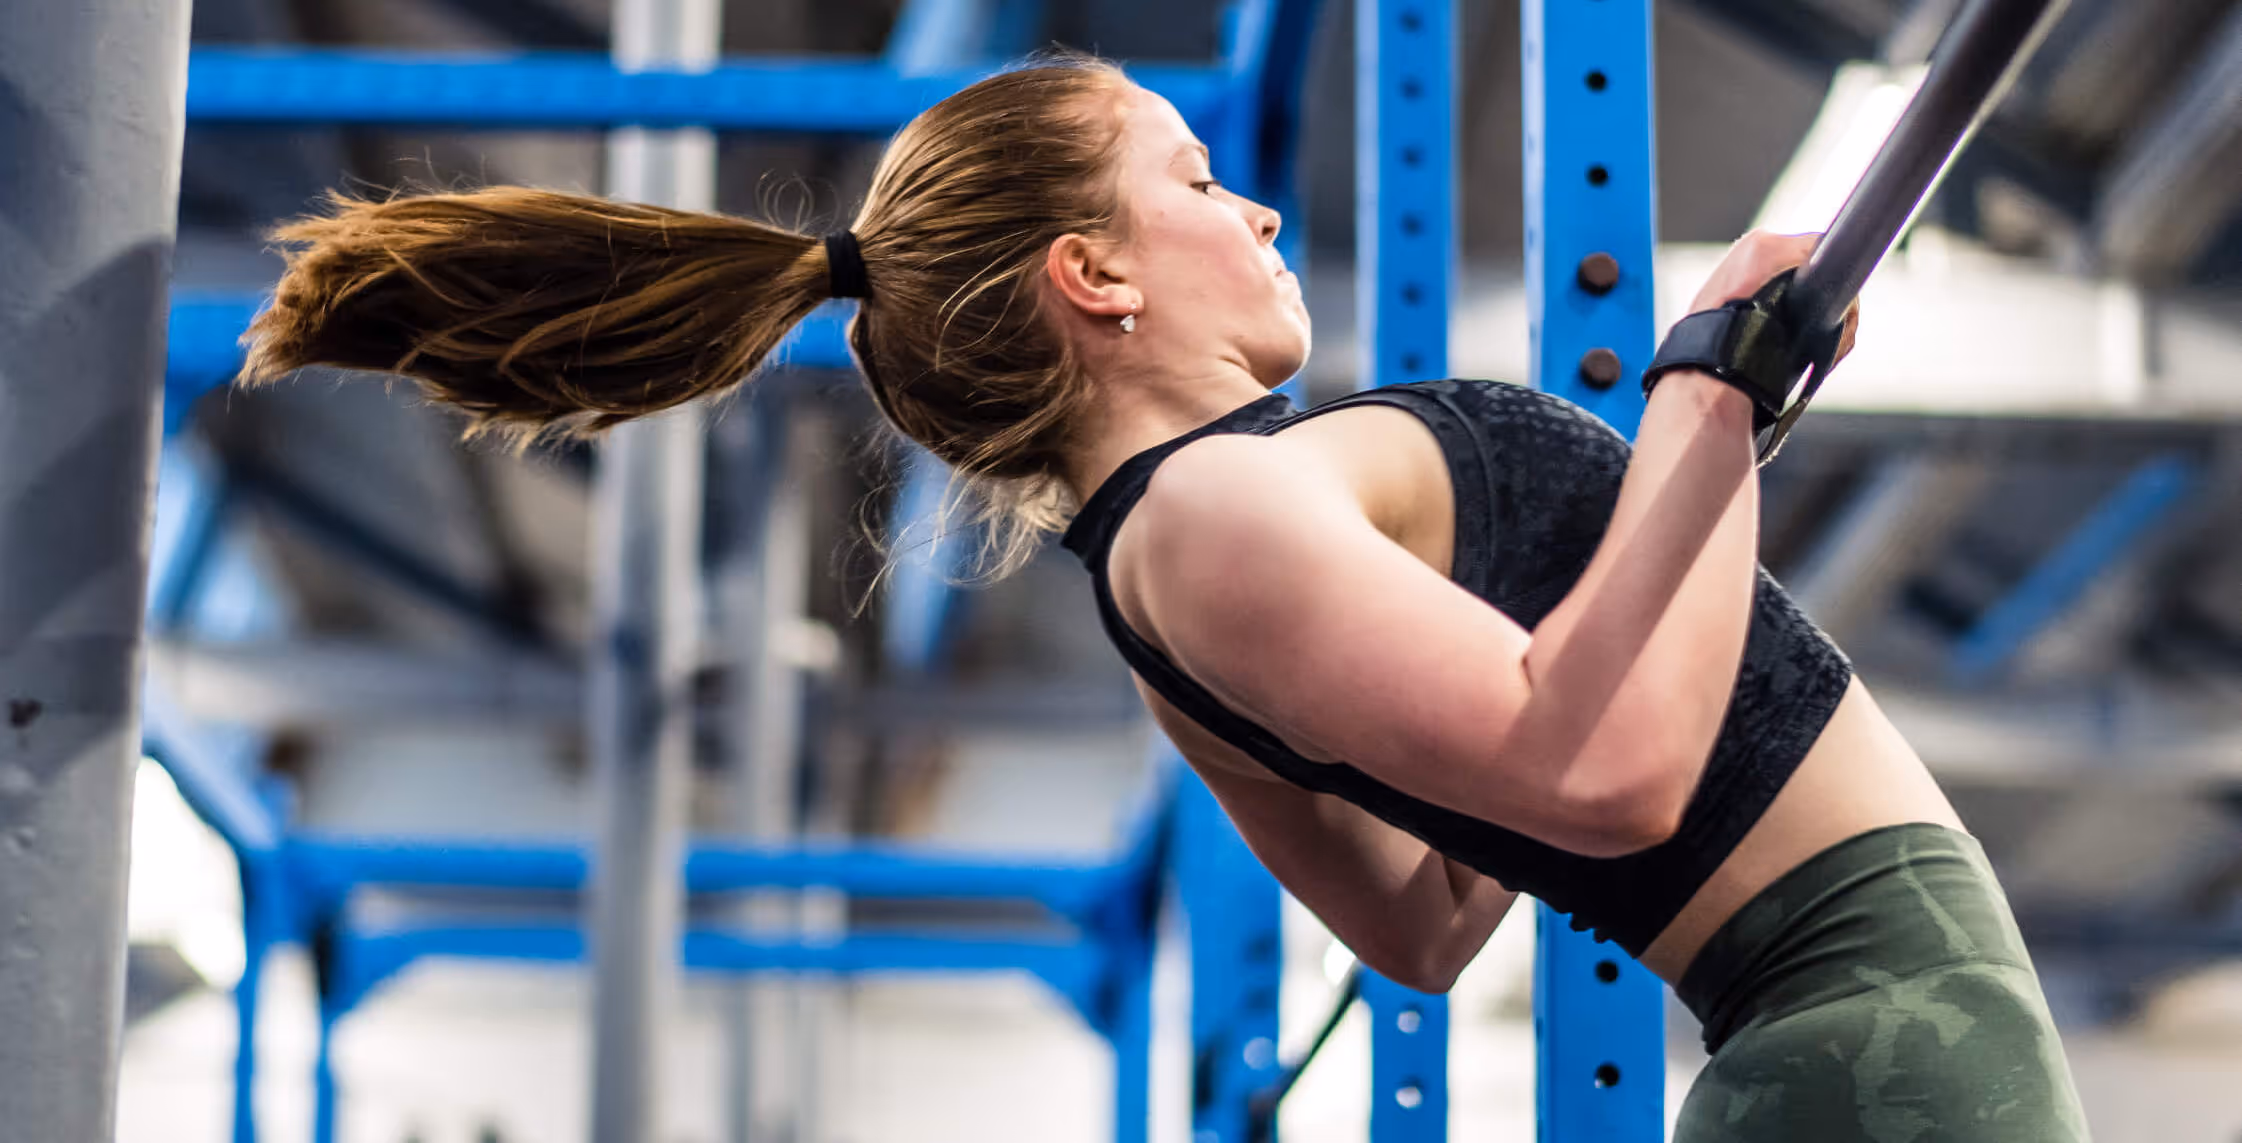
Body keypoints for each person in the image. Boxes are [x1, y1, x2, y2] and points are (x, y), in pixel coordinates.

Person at [238, 54, 2090, 1141]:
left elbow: (1431, 913)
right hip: (1885, 1035)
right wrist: (1701, 404)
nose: (1259, 212)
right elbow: (1604, 780)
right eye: (1199, 181)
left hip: (1858, 1042)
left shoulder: (1197, 551)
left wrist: (1687, 488)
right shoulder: (1211, 517)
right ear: (1094, 276)